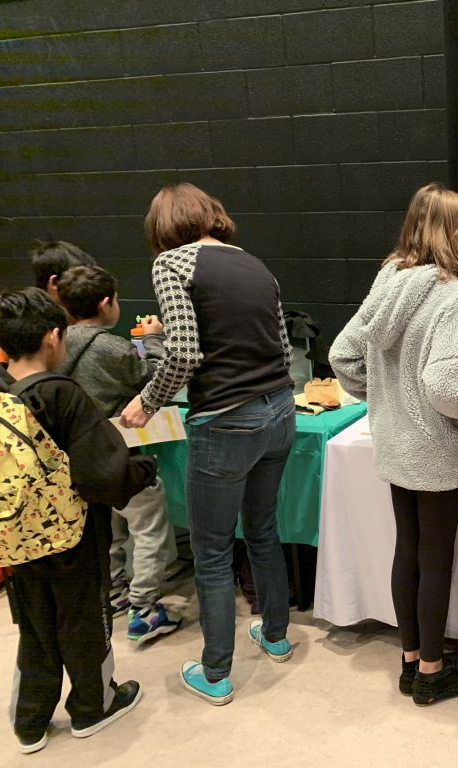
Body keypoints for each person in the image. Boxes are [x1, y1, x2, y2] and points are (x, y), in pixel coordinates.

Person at [119, 183, 296, 706]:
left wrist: (147, 402)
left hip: (225, 420)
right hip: (280, 410)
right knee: (263, 529)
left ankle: (216, 672)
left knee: (212, 551)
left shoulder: (172, 264)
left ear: (162, 226)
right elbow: (282, 346)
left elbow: (185, 351)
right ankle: (276, 635)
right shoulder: (253, 263)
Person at [330, 183, 458, 706]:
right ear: (455, 236)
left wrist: (385, 399)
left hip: (394, 443)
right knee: (436, 556)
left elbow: (342, 356)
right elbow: (449, 390)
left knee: (409, 548)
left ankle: (411, 659)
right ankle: (432, 673)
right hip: (436, 448)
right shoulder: (457, 298)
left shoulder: (387, 281)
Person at [0, 288, 156, 753]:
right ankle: (92, 706)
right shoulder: (62, 395)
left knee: (35, 626)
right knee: (83, 619)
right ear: (52, 338)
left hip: (14, 536)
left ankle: (30, 720)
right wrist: (145, 468)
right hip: (70, 535)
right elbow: (104, 475)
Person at [55, 265, 182, 644]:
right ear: (106, 302)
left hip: (80, 461)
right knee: (148, 528)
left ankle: (114, 591)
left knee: (107, 530)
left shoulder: (56, 345)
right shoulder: (111, 347)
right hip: (120, 459)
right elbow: (157, 379)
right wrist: (156, 339)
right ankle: (144, 610)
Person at [0, 240, 96, 371]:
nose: (87, 288)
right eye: (78, 281)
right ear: (54, 282)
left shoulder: (80, 319)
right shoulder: (14, 319)